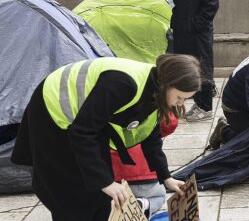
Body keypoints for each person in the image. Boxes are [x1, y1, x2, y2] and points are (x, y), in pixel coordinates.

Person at [11, 54, 201, 221]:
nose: (180, 103)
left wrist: (165, 177)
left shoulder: (155, 92)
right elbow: (82, 132)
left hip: (88, 124)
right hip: (53, 114)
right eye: (180, 97)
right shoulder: (123, 84)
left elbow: (151, 136)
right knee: (69, 193)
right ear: (167, 83)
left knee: (100, 193)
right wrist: (105, 182)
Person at [170, 0, 219, 122]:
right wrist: (177, 23)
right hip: (183, 32)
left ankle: (205, 107)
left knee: (202, 67)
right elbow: (177, 0)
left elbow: (211, 7)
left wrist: (195, 24)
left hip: (199, 33)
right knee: (187, 68)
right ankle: (196, 103)